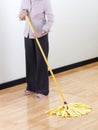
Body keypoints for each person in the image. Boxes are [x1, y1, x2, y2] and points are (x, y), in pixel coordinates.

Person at [19, 0, 54, 98]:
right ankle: (31, 87)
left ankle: (43, 90)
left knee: (41, 62)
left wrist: (41, 32)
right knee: (30, 61)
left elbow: (51, 20)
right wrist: (23, 14)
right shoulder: (25, 1)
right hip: (28, 35)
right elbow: (20, 17)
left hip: (40, 36)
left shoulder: (45, 1)